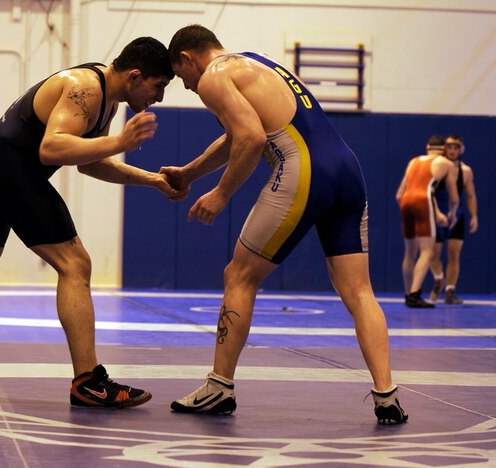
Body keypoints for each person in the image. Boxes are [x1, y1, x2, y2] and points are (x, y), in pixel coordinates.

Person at [0, 37, 177, 408]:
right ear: (134, 75)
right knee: (75, 264)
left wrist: (151, 179)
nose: (159, 97)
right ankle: (89, 382)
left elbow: (88, 161)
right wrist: (118, 142)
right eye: (159, 85)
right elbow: (52, 148)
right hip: (9, 171)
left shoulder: (107, 100)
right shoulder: (85, 88)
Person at [161, 25, 409, 424]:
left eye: (181, 77)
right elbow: (234, 138)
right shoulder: (256, 62)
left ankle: (219, 387)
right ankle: (387, 396)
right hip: (347, 170)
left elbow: (251, 138)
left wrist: (221, 194)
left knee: (239, 275)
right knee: (360, 291)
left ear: (188, 58)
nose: (187, 87)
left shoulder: (213, 77)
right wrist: (190, 173)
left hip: (304, 170)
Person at [396, 135, 459, 308]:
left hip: (406, 201)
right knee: (427, 251)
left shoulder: (414, 161)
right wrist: (451, 214)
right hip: (423, 201)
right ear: (444, 149)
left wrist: (436, 212)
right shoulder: (446, 163)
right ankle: (415, 295)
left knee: (410, 252)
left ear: (427, 147)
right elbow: (453, 198)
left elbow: (400, 194)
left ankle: (408, 292)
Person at [429, 135, 478, 304]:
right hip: (438, 214)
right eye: (449, 147)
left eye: (456, 147)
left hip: (456, 216)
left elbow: (471, 195)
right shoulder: (437, 166)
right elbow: (428, 191)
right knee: (431, 255)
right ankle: (439, 277)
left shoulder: (466, 171)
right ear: (444, 148)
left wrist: (474, 216)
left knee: (454, 254)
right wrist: (436, 212)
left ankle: (450, 291)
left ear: (461, 150)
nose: (452, 150)